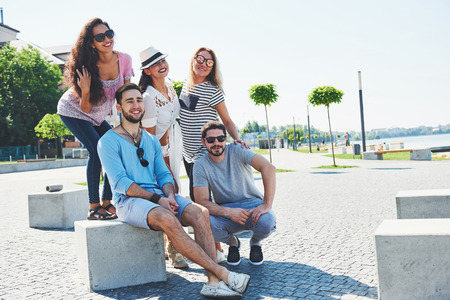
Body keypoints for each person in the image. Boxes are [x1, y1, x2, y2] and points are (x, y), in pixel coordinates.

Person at [97, 83, 250, 299]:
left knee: (201, 213)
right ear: (119, 108)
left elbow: (164, 175)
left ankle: (213, 282)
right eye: (129, 101)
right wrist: (159, 199)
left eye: (139, 100)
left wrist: (169, 195)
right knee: (166, 217)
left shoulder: (150, 140)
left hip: (159, 196)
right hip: (129, 201)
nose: (136, 105)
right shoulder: (107, 141)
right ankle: (222, 273)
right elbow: (122, 183)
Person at [57, 18, 133, 220]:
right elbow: (86, 107)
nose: (107, 39)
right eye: (100, 37)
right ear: (92, 43)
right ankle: (93, 206)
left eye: (109, 34)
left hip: (97, 117)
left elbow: (126, 94)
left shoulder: (124, 60)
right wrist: (86, 89)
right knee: (96, 149)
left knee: (114, 149)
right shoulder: (86, 67)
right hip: (74, 111)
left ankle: (107, 202)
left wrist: (127, 127)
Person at [179, 47, 247, 261]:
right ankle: (225, 243)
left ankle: (216, 249)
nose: (203, 64)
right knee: (197, 200)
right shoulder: (185, 86)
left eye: (209, 63)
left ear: (212, 68)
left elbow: (226, 120)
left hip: (204, 153)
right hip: (187, 153)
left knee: (202, 203)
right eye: (200, 59)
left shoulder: (213, 90)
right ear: (193, 60)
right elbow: (185, 115)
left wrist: (236, 139)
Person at [193, 121, 277, 266]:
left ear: (226, 138)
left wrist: (267, 204)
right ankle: (233, 243)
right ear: (203, 142)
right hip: (225, 211)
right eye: (211, 140)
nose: (216, 143)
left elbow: (268, 168)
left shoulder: (238, 149)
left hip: (253, 205)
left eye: (220, 138)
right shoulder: (200, 165)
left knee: (267, 222)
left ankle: (255, 243)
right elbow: (201, 201)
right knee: (204, 224)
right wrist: (228, 212)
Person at [138, 46, 187, 269]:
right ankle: (174, 248)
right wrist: (163, 160)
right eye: (156, 63)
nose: (162, 65)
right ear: (147, 71)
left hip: (174, 146)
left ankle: (171, 243)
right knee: (171, 194)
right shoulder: (148, 97)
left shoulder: (170, 88)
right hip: (159, 151)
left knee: (175, 193)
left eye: (163, 60)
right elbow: (149, 139)